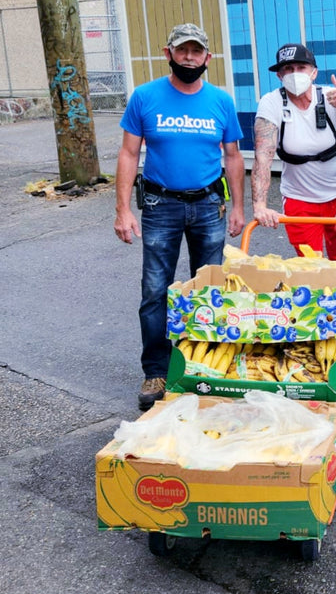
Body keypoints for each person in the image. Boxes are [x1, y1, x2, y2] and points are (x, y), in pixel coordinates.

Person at [114, 23, 246, 410]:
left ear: (208, 57)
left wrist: (239, 207)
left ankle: (205, 364)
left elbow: (234, 156)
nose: (190, 57)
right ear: (167, 52)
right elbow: (128, 154)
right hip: (160, 205)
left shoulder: (221, 101)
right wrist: (123, 210)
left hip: (209, 204)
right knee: (156, 291)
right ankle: (156, 369)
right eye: (182, 50)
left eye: (197, 51)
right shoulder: (145, 97)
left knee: (210, 289)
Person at [251, 43, 336, 269]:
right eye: (288, 69)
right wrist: (260, 205)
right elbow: (263, 157)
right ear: (280, 75)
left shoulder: (331, 97)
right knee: (310, 268)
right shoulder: (271, 103)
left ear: (313, 72)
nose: (295, 74)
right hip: (299, 200)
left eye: (301, 67)